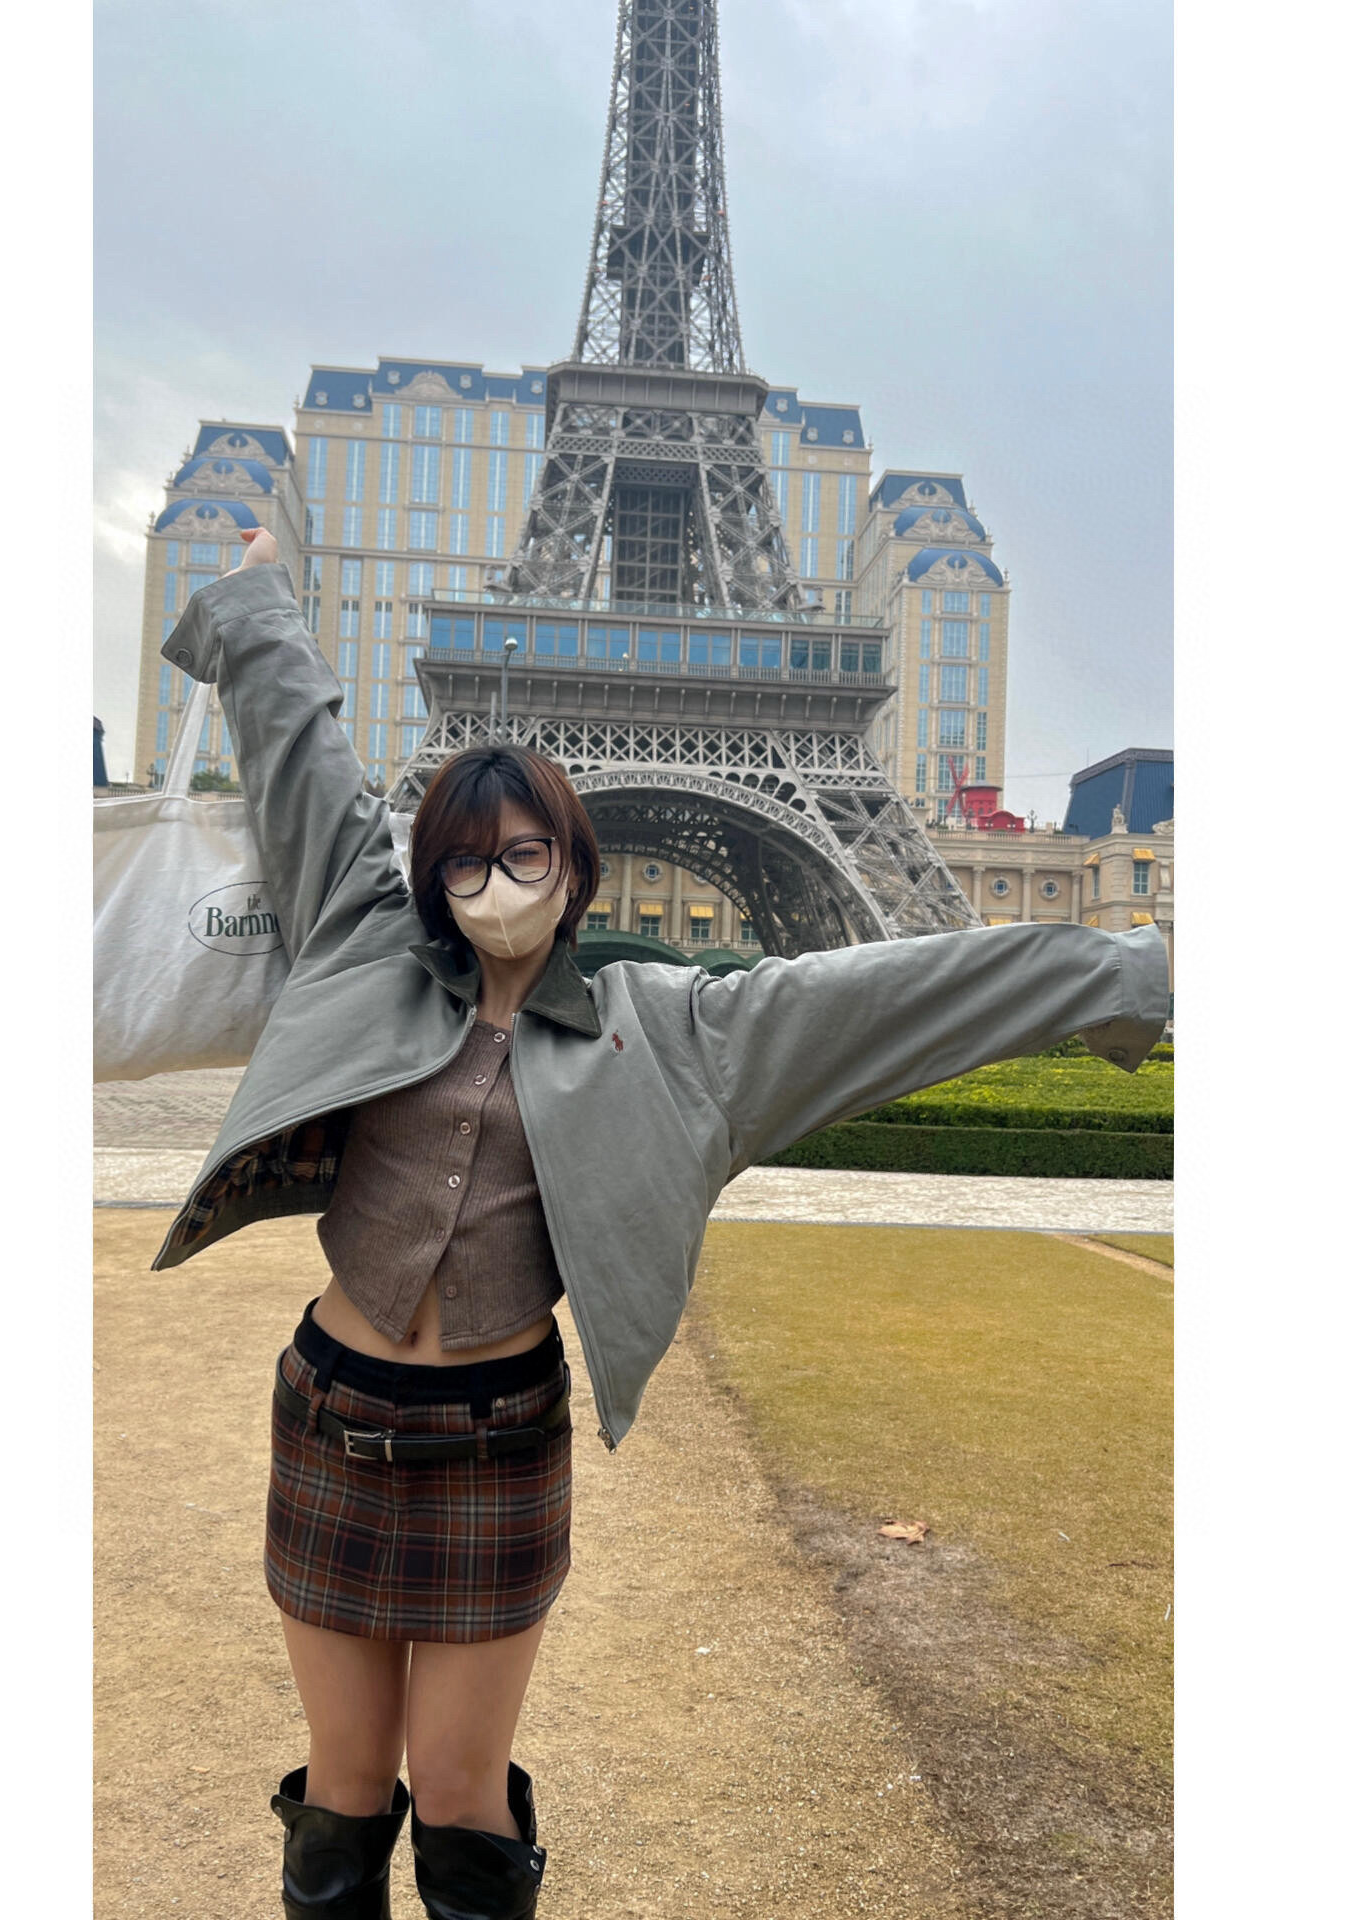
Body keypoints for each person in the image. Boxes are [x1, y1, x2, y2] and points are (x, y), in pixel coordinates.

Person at [153, 527, 1170, 1919]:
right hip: (332, 1414)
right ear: (432, 876)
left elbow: (888, 996)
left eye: (523, 855)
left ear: (571, 864)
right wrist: (259, 602)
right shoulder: (367, 942)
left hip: (496, 1440)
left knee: (459, 1796)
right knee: (340, 1793)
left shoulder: (677, 1031)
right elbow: (304, 767)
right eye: (466, 864)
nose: (496, 885)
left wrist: (1124, 971)